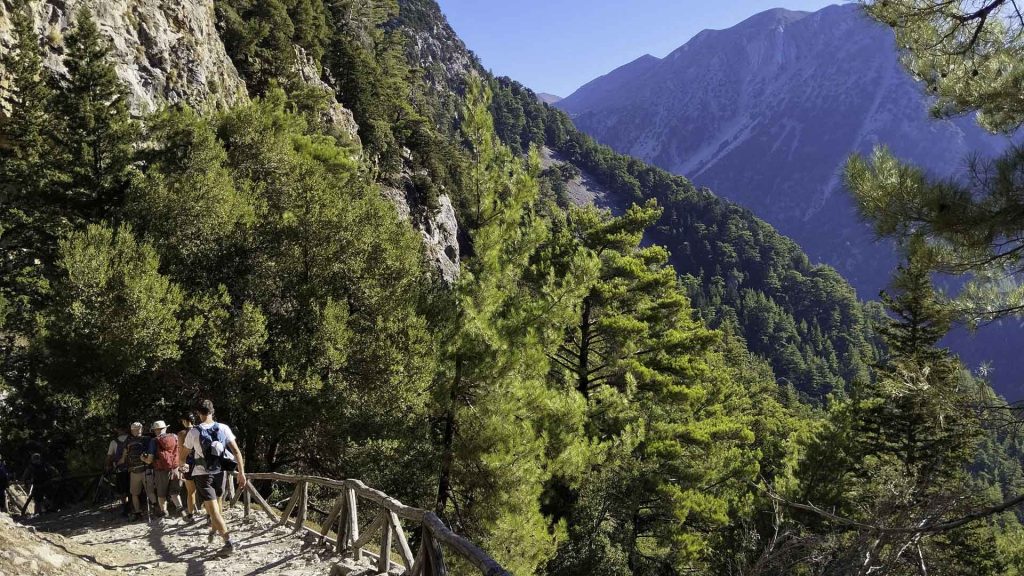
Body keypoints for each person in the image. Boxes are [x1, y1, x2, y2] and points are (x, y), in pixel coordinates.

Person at [184, 400, 246, 556]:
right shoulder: (223, 428)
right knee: (217, 506)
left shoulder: (194, 432)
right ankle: (213, 530)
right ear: (212, 411)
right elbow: (237, 452)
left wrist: (180, 465)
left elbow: (183, 453)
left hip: (202, 474)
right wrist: (241, 472)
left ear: (199, 413)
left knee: (212, 510)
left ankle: (228, 542)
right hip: (220, 472)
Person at [143, 421, 183, 520]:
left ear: (155, 430)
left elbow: (149, 460)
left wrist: (142, 458)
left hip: (160, 470)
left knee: (161, 493)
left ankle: (164, 512)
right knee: (175, 492)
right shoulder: (174, 437)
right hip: (175, 468)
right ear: (165, 428)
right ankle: (181, 510)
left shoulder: (154, 441)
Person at [124, 422, 151, 520]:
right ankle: (150, 510)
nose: (137, 430)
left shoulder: (128, 441)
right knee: (146, 492)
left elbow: (125, 455)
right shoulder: (147, 439)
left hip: (136, 470)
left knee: (135, 493)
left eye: (138, 429)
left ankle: (138, 512)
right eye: (136, 429)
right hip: (143, 469)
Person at [105, 426, 131, 516]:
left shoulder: (113, 442)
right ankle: (134, 506)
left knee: (122, 490)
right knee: (131, 489)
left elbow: (109, 456)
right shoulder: (131, 439)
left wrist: (108, 466)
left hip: (120, 469)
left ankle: (125, 508)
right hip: (132, 468)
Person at [177, 413, 198, 522]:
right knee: (205, 491)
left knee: (191, 491)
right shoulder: (200, 430)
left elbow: (181, 451)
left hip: (188, 464)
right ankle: (209, 516)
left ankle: (191, 515)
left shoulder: (182, 433)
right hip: (200, 463)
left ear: (185, 421)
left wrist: (180, 467)